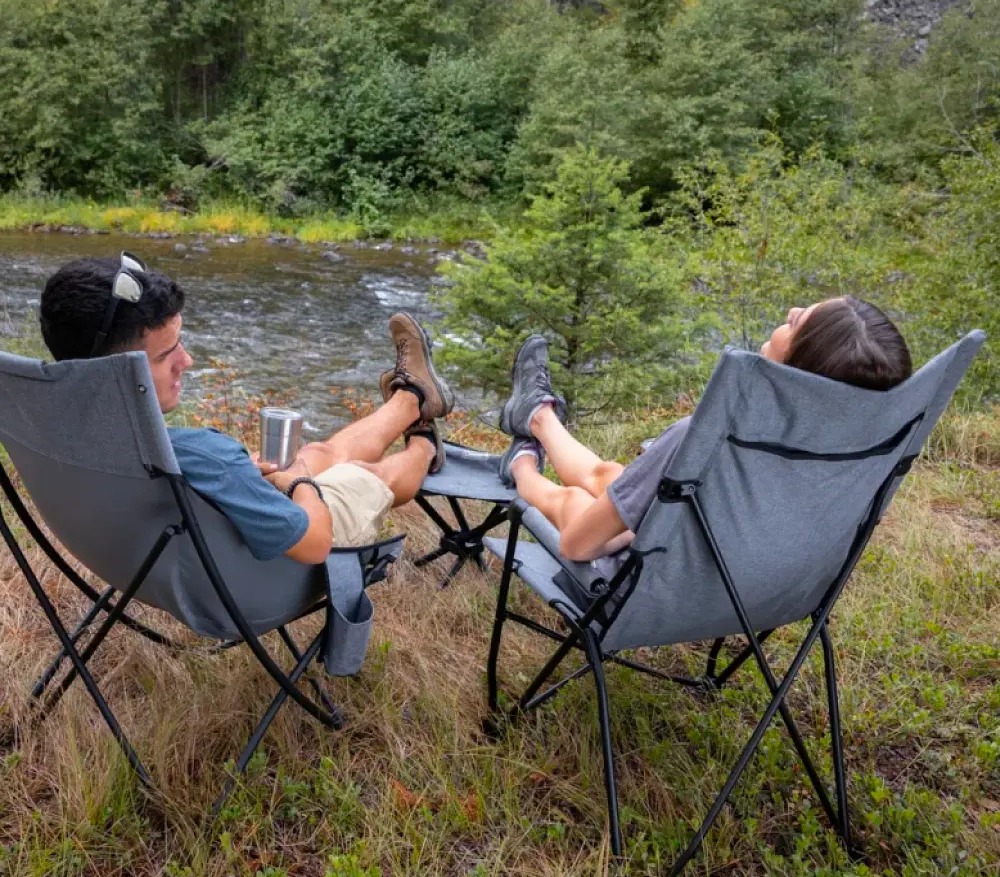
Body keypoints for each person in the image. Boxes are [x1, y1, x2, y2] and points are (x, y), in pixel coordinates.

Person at [38, 253, 455, 564]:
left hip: (164, 560)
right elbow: (315, 545)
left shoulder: (57, 431)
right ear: (115, 374)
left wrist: (262, 477)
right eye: (167, 355)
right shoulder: (203, 457)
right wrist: (298, 486)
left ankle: (411, 398)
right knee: (359, 476)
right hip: (265, 577)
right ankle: (423, 442)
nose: (188, 361)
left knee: (313, 456)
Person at [497, 296, 914, 566]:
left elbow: (577, 546)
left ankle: (521, 464)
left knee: (578, 500)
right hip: (754, 583)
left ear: (800, 364)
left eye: (796, 321)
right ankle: (538, 417)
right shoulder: (856, 453)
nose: (787, 313)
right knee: (607, 476)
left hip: (668, 574)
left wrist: (619, 535)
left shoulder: (702, 441)